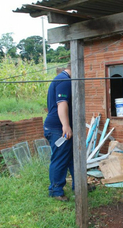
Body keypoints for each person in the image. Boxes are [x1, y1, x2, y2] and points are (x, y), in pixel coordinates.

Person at [44, 64, 74, 202]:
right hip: (58, 128)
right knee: (60, 159)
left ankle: (78, 184)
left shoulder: (62, 79)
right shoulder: (64, 80)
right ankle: (55, 191)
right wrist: (66, 125)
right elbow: (62, 104)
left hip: (58, 126)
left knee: (72, 158)